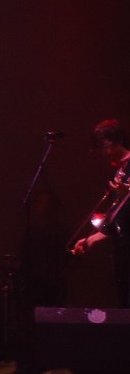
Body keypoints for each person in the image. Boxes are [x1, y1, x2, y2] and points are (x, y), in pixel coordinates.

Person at [72, 118, 130, 307]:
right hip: (123, 249)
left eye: (102, 147)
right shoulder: (119, 171)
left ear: (110, 143)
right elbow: (119, 218)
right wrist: (91, 239)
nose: (100, 153)